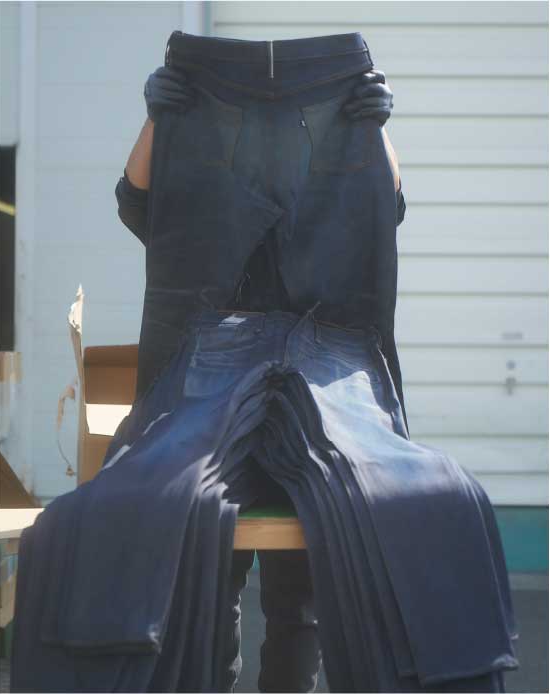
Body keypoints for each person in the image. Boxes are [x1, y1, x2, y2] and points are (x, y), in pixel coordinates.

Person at [114, 61, 406, 693]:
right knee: (209, 587)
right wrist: (160, 118)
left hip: (311, 401)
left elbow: (387, 209)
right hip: (212, 403)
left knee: (299, 597)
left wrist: (374, 129)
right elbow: (136, 202)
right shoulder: (201, 212)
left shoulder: (333, 210)